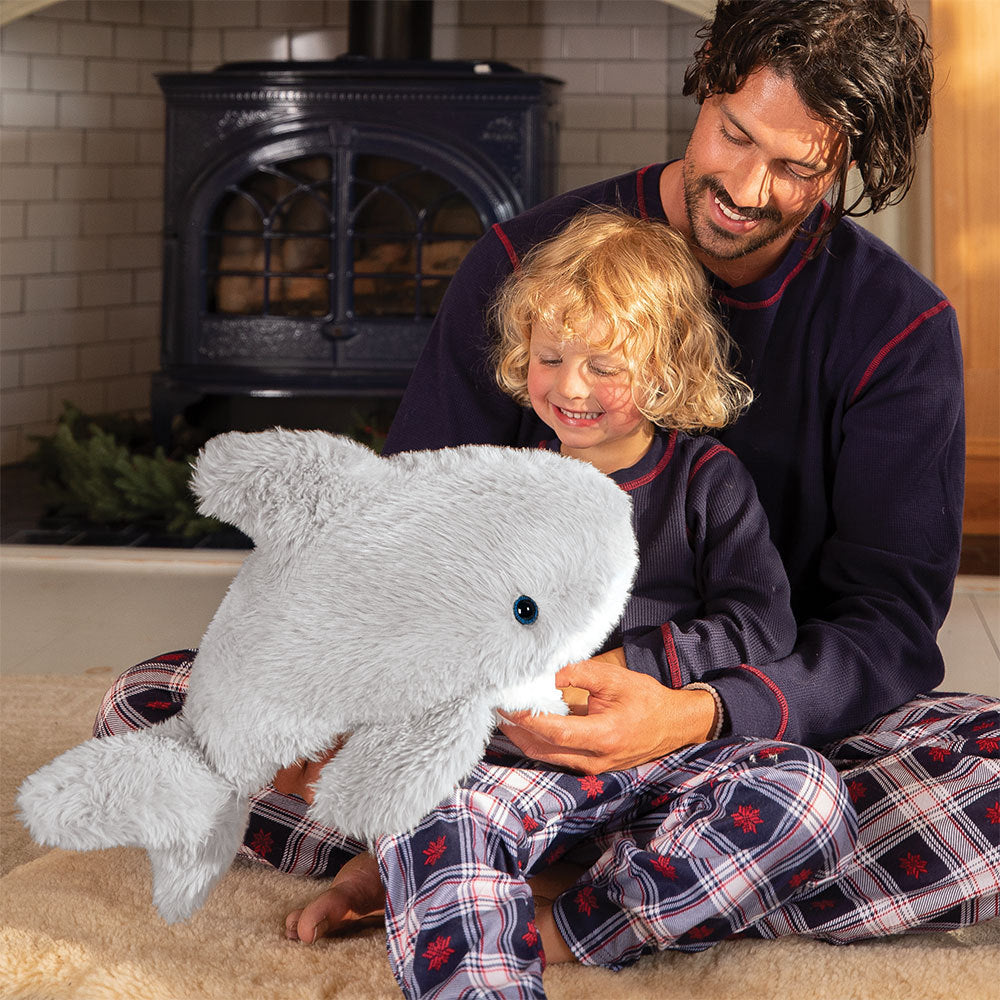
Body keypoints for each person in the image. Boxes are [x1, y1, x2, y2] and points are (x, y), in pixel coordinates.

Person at [94, 0, 997, 991]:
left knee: (953, 775)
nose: (746, 187)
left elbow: (887, 631)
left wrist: (693, 710)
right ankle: (652, 875)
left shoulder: (896, 330)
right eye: (734, 134)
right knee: (156, 704)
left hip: (748, 739)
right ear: (704, 86)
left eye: (796, 167)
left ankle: (509, 884)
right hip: (498, 736)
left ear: (850, 164)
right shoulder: (525, 263)